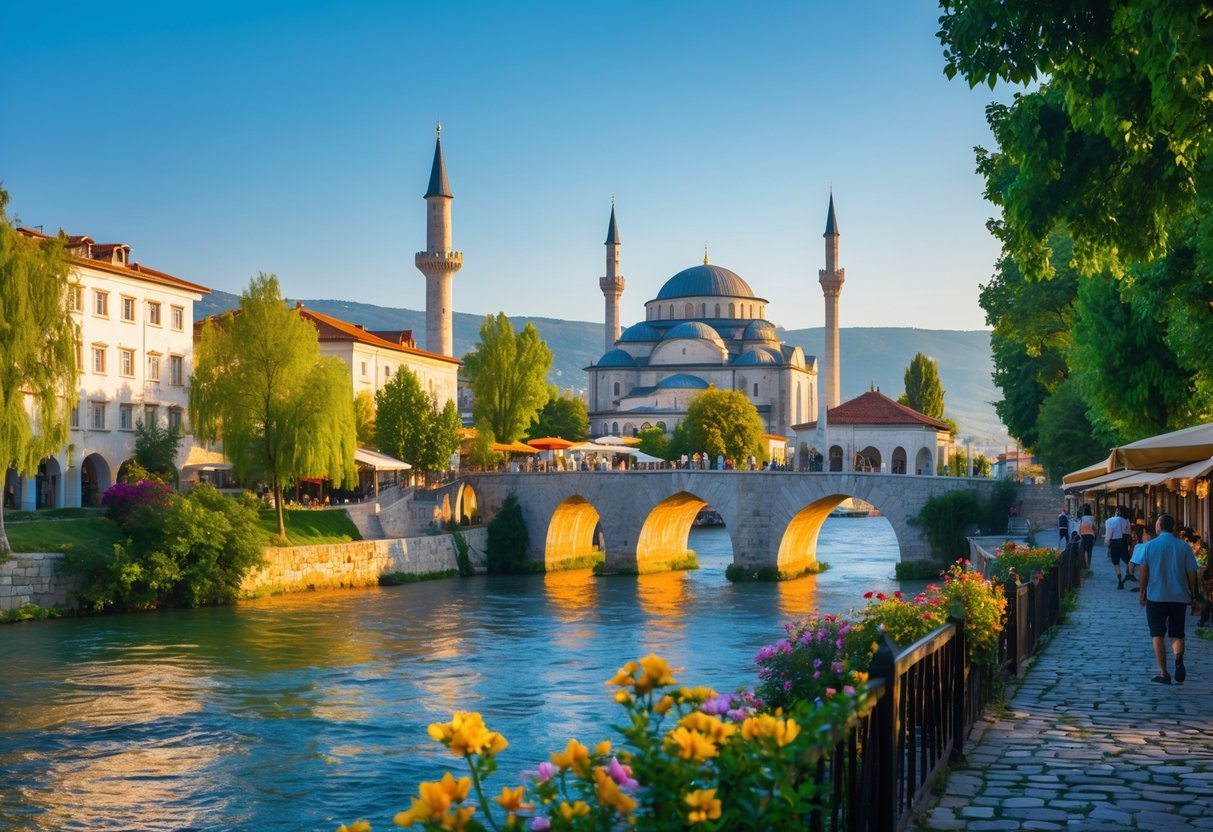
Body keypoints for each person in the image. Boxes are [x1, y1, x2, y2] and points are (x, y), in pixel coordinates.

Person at [1138, 514, 1200, 684]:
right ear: (1173, 528)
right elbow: (1192, 573)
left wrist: (1142, 592)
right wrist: (1194, 595)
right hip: (1179, 596)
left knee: (1157, 634)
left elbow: (1144, 572)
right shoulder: (1183, 547)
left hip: (1156, 596)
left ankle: (1164, 673)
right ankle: (1178, 659)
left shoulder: (1149, 546)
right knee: (1177, 632)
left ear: (1158, 527)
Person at [1105, 506, 1135, 589]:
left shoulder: (1110, 521)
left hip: (1114, 542)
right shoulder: (1126, 521)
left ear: (1116, 512)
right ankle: (1130, 573)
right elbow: (1128, 533)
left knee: (1116, 562)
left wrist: (1107, 543)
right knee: (1128, 559)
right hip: (1123, 542)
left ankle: (1119, 578)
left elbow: (1108, 534)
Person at [1077, 504, 1096, 569]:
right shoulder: (1092, 518)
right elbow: (1094, 527)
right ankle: (1088, 565)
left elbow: (1079, 527)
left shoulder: (1082, 518)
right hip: (1090, 536)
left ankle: (1084, 565)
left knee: (1083, 550)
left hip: (1083, 536)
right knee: (1089, 551)